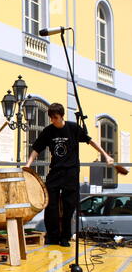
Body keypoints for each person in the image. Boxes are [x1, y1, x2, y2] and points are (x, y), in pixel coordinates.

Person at [25, 103, 114, 247]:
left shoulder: (73, 128)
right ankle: (52, 236)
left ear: (61, 116)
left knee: (69, 206)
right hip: (55, 172)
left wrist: (105, 156)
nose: (53, 120)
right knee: (51, 205)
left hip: (71, 172)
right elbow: (37, 148)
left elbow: (90, 141)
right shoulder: (48, 131)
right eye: (51, 118)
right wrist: (28, 164)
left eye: (55, 118)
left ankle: (65, 237)